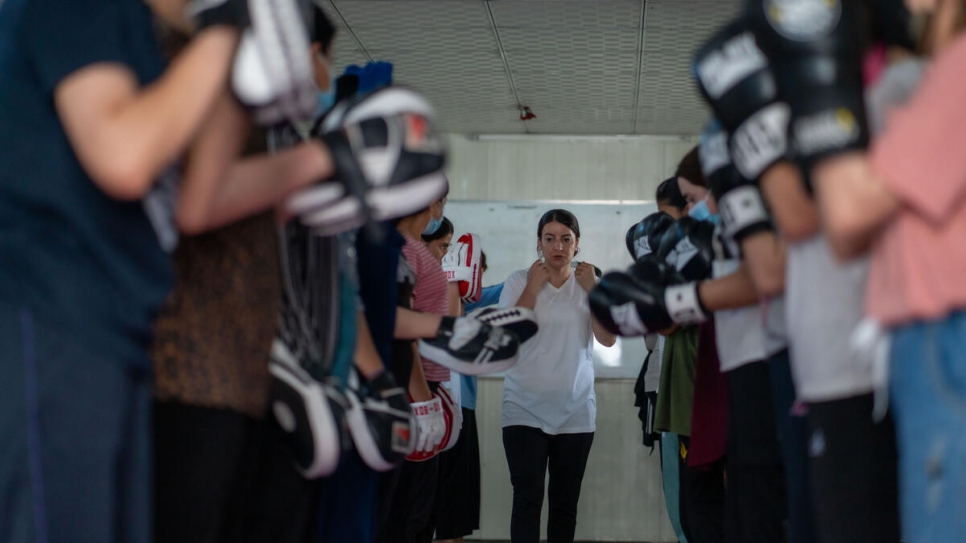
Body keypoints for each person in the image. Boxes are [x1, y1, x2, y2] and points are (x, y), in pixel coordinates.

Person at [0, 1, 344, 540]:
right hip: (54, 318)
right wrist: (232, 25)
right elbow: (124, 158)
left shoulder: (155, 39)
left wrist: (333, 157)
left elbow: (197, 201)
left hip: (120, 333)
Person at [750, 1, 966, 541]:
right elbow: (847, 232)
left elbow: (842, 214)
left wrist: (811, 72)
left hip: (945, 339)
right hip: (916, 345)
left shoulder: (955, 70)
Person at [498, 209, 616, 543]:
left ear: (577, 245)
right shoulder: (519, 280)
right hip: (522, 407)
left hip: (576, 412)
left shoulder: (589, 283)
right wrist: (533, 290)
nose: (557, 246)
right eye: (549, 239)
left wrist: (595, 291)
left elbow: (608, 339)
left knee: (565, 505)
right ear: (538, 244)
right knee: (527, 498)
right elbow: (507, 338)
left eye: (566, 239)